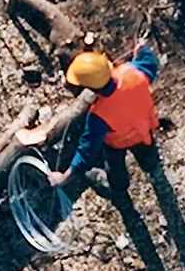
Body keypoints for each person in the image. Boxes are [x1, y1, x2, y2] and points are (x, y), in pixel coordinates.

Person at [48, 40, 163, 189]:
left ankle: (118, 188)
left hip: (117, 144)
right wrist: (141, 49)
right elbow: (150, 62)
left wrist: (65, 176)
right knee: (149, 156)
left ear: (88, 87)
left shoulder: (98, 116)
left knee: (116, 170)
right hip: (144, 131)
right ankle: (154, 171)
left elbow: (87, 150)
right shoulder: (132, 71)